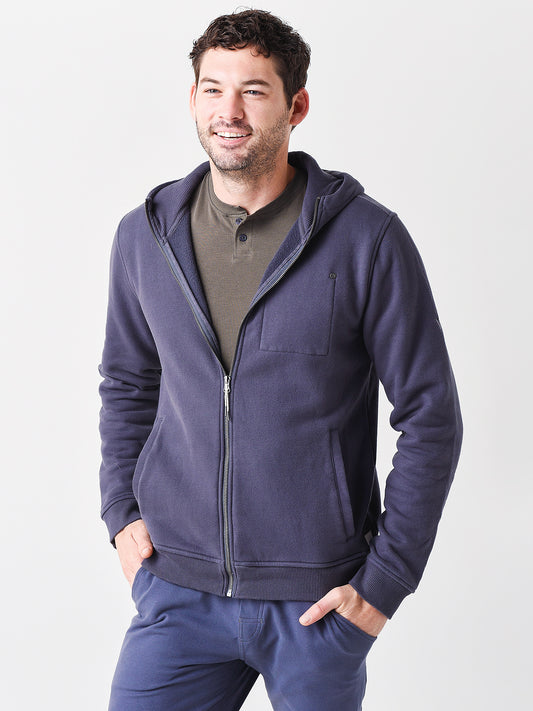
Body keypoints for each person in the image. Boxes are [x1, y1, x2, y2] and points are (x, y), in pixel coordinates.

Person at [98, 9, 462, 711]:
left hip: (316, 605)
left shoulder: (367, 240)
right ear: (193, 97)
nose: (228, 112)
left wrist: (383, 584)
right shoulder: (145, 235)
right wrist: (120, 510)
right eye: (212, 89)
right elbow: (128, 381)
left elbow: (430, 416)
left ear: (296, 106)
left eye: (254, 91)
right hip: (176, 591)